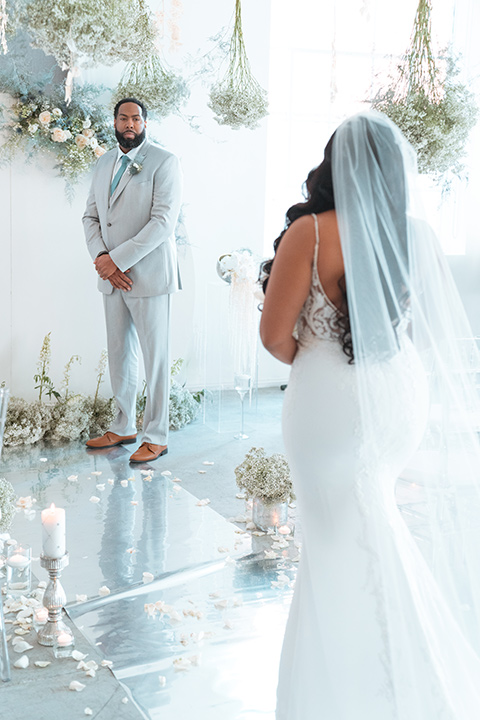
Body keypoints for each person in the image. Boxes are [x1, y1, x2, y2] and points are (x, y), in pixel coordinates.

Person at [260, 111, 480, 719]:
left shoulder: (312, 232)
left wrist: (321, 351)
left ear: (334, 163)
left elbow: (275, 337)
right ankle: (389, 672)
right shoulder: (416, 233)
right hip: (398, 394)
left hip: (331, 404)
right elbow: (428, 333)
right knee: (371, 520)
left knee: (334, 542)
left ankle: (359, 689)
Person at [83, 98, 182, 463]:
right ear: (114, 121)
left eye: (136, 118)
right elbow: (90, 218)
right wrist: (102, 260)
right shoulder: (103, 162)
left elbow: (163, 223)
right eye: (123, 117)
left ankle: (156, 436)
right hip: (111, 277)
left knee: (156, 360)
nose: (130, 123)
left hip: (150, 276)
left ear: (145, 122)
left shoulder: (164, 162)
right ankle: (123, 426)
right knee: (120, 355)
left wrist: (117, 260)